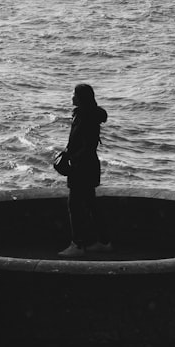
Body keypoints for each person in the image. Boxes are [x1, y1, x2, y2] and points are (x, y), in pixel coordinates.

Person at [57, 84, 111, 257]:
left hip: (82, 167)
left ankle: (78, 244)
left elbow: (84, 145)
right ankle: (103, 241)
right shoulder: (89, 114)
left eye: (74, 94)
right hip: (89, 166)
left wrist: (70, 159)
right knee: (90, 203)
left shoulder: (84, 116)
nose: (72, 97)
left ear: (81, 97)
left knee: (75, 205)